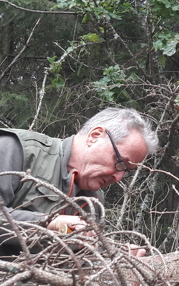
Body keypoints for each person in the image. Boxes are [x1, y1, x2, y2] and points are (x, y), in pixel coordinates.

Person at [0, 107, 159, 256]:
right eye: (120, 162)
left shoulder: (93, 201)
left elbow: (78, 256)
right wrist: (49, 223)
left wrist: (115, 254)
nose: (118, 177)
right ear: (95, 136)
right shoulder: (16, 150)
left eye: (126, 171)